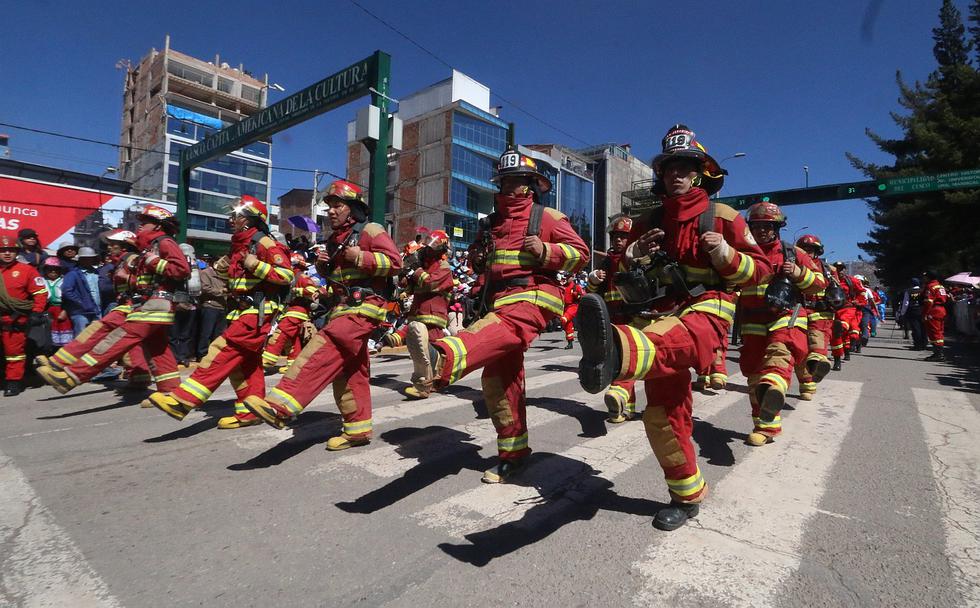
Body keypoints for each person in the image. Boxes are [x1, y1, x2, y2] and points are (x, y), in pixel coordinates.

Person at [576, 124, 768, 530]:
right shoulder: (649, 219)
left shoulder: (725, 217)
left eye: (684, 168)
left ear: (700, 173)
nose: (675, 175)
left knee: (665, 342)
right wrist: (633, 253)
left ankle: (615, 354)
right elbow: (625, 271)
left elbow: (761, 272)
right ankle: (687, 494)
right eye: (669, 169)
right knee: (663, 416)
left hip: (709, 306)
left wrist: (727, 254)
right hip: (660, 310)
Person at [405, 147, 589, 483]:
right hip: (498, 300)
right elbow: (481, 267)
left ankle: (440, 358)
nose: (509, 188)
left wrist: (547, 251)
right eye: (505, 181)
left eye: (516, 181)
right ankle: (514, 454)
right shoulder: (491, 223)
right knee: (498, 381)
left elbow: (581, 254)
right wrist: (478, 258)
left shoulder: (545, 217)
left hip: (534, 296)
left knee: (500, 328)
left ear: (531, 185)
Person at [243, 180, 402, 449]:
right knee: (352, 371)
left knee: (323, 347)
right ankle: (357, 429)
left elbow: (395, 263)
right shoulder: (334, 240)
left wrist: (361, 256)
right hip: (343, 308)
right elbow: (339, 279)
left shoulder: (370, 230)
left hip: (364, 308)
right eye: (329, 206)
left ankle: (281, 405)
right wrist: (324, 268)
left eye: (336, 206)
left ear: (352, 209)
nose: (330, 211)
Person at [147, 196, 293, 430]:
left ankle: (183, 400)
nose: (230, 219)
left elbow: (286, 276)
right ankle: (248, 412)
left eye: (236, 215)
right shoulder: (239, 245)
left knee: (221, 351)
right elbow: (235, 279)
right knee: (246, 365)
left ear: (249, 219)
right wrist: (225, 272)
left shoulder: (263, 242)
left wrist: (254, 264)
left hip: (257, 311)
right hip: (241, 310)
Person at [37, 204, 190, 395]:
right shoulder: (150, 247)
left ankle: (72, 376)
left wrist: (151, 262)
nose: (140, 226)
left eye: (145, 222)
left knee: (118, 339)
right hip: (148, 304)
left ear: (158, 226)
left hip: (156, 304)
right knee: (158, 348)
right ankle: (170, 391)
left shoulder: (164, 243)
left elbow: (182, 270)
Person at [738, 203, 826, 442]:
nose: (762, 231)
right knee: (755, 373)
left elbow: (819, 284)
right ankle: (765, 426)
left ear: (777, 228)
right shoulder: (743, 253)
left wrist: (798, 273)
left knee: (780, 353)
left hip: (787, 315)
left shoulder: (793, 253)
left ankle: (775, 386)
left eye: (767, 226)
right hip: (752, 320)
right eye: (756, 226)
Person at [384, 230, 454, 378]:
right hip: (418, 312)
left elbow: (429, 282)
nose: (428, 249)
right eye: (428, 245)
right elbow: (410, 285)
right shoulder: (425, 266)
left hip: (433, 315)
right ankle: (423, 377)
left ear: (441, 249)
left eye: (433, 246)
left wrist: (416, 270)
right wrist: (405, 274)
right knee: (416, 344)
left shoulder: (444, 267)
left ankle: (437, 375)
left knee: (432, 346)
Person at [0, 235, 49, 396]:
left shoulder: (27, 270)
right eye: (3, 250)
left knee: (14, 353)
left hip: (14, 319)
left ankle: (13, 382)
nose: (7, 253)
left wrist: (36, 311)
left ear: (17, 252)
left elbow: (41, 292)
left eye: (11, 250)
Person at [794, 233, 836, 400]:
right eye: (804, 249)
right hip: (799, 310)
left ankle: (819, 363)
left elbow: (837, 292)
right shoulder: (792, 266)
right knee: (800, 350)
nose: (808, 252)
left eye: (811, 249)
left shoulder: (828, 270)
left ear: (818, 251)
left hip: (821, 313)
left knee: (816, 343)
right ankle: (807, 385)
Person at [262, 253, 319, 374]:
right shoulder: (291, 277)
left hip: (296, 312)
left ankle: (266, 360)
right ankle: (293, 366)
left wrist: (296, 291)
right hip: (290, 311)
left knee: (279, 335)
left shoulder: (301, 276)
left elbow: (313, 291)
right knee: (292, 341)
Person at [60, 246, 102, 336]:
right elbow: (66, 291)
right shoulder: (73, 274)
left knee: (95, 335)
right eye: (86, 259)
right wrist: (80, 302)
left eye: (90, 258)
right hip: (80, 312)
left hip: (96, 310)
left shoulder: (97, 273)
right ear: (80, 259)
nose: (89, 261)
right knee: (81, 335)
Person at [196, 254, 228, 360]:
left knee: (219, 333)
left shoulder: (225, 274)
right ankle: (202, 354)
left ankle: (214, 354)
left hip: (222, 307)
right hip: (210, 306)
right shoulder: (206, 273)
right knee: (206, 332)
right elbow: (205, 288)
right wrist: (221, 291)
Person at [41, 258, 73, 349]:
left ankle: (63, 350)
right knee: (49, 329)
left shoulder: (64, 281)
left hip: (61, 309)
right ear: (45, 270)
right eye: (50, 269)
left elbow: (68, 297)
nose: (53, 271)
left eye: (56, 269)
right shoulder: (42, 281)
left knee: (62, 327)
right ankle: (50, 351)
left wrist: (65, 311)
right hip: (47, 309)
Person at [921, 270, 948, 362]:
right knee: (939, 332)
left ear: (929, 277)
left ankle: (938, 354)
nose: (924, 278)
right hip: (941, 310)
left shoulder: (930, 286)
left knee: (933, 332)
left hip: (933, 311)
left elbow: (929, 301)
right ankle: (938, 353)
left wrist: (925, 314)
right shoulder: (940, 286)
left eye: (925, 276)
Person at [558, 272, 585, 349]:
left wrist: (577, 295)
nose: (567, 278)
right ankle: (570, 343)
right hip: (565, 307)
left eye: (568, 277)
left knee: (564, 319)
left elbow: (582, 296)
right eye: (566, 277)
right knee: (567, 325)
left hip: (574, 306)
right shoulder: (563, 286)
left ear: (572, 277)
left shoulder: (576, 286)